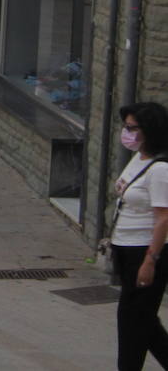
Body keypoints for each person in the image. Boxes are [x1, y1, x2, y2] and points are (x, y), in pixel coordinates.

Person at [111, 102, 168, 371]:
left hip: (143, 252)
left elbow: (164, 218)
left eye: (133, 128)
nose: (127, 133)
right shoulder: (140, 157)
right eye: (126, 127)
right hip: (124, 247)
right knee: (143, 321)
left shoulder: (160, 169)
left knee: (133, 321)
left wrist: (150, 260)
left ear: (150, 130)